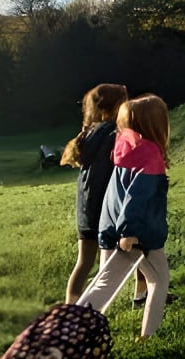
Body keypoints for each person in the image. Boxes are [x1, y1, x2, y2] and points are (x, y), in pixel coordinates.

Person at [82, 94, 171, 339]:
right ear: (155, 123)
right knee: (159, 281)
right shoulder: (150, 155)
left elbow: (117, 194)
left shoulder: (124, 147)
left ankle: (77, 328)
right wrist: (129, 231)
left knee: (105, 283)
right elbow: (138, 196)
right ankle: (147, 339)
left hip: (110, 226)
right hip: (136, 234)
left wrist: (115, 229)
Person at [59, 83, 147, 307]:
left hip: (86, 208)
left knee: (84, 262)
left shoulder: (88, 133)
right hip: (106, 207)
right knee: (140, 245)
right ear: (118, 106)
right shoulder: (114, 134)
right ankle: (143, 294)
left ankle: (70, 309)